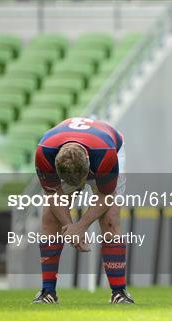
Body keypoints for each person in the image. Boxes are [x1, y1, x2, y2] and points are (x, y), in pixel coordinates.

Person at [32, 117, 134, 304]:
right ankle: (47, 292)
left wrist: (81, 226)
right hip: (74, 151)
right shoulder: (44, 152)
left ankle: (119, 292)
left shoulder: (106, 154)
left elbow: (106, 196)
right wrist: (69, 227)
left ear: (88, 164)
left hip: (107, 149)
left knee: (110, 217)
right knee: (49, 216)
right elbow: (52, 192)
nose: (80, 187)